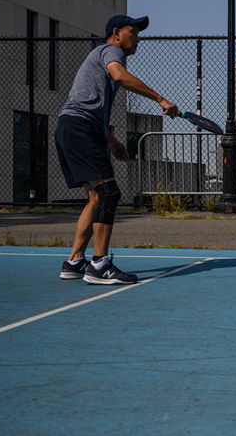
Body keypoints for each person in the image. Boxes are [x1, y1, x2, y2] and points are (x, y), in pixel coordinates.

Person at [54, 15, 178, 284]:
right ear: (116, 33)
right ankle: (99, 265)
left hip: (72, 127)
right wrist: (160, 99)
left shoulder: (101, 54)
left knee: (96, 197)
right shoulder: (110, 50)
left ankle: (75, 261)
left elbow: (92, 101)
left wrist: (110, 139)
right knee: (109, 192)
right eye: (132, 32)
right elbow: (119, 76)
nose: (137, 38)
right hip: (79, 127)